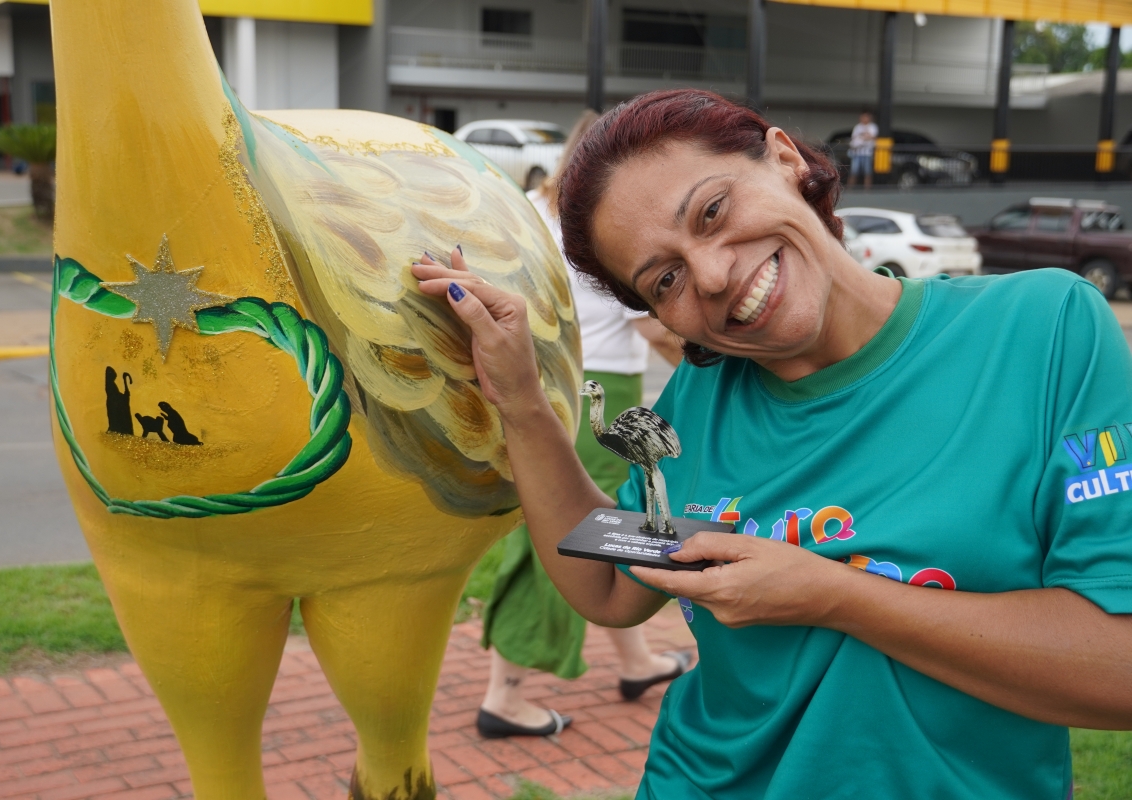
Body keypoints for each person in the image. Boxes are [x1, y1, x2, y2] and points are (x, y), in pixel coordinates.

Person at [414, 89, 1132, 797]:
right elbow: (609, 585)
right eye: (666, 279)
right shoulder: (703, 394)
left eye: (712, 211)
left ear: (785, 159)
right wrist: (523, 402)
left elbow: (1117, 669)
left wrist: (833, 596)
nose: (713, 276)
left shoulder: (1041, 328)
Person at [475, 110, 690, 740]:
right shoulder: (606, 227)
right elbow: (655, 328)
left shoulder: (534, 215)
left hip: (549, 376)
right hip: (602, 387)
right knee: (578, 536)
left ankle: (636, 661)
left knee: (610, 529)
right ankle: (505, 695)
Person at [847, 111, 877, 188]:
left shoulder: (872, 127)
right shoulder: (857, 127)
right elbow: (854, 138)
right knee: (854, 172)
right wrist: (864, 137)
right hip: (857, 153)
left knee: (867, 173)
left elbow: (872, 137)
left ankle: (867, 190)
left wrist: (862, 137)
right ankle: (850, 189)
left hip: (867, 153)